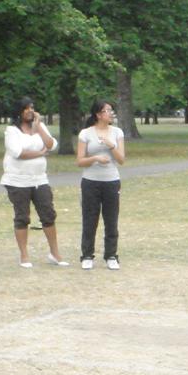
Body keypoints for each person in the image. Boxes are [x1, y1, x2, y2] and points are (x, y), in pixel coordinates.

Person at [1, 97, 68, 268]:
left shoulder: (39, 127)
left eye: (32, 107)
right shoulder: (12, 131)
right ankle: (24, 256)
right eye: (26, 108)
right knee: (22, 217)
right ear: (19, 111)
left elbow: (52, 145)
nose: (30, 111)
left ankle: (55, 253)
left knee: (48, 215)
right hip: (17, 180)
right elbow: (18, 152)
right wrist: (40, 153)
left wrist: (39, 129)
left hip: (39, 179)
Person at [76, 99, 125, 270]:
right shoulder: (86, 133)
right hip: (90, 182)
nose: (111, 114)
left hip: (111, 181)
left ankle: (111, 255)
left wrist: (111, 145)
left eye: (111, 110)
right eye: (107, 111)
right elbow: (80, 161)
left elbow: (121, 160)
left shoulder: (117, 132)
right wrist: (96, 158)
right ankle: (87, 255)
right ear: (98, 114)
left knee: (111, 219)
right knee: (90, 219)